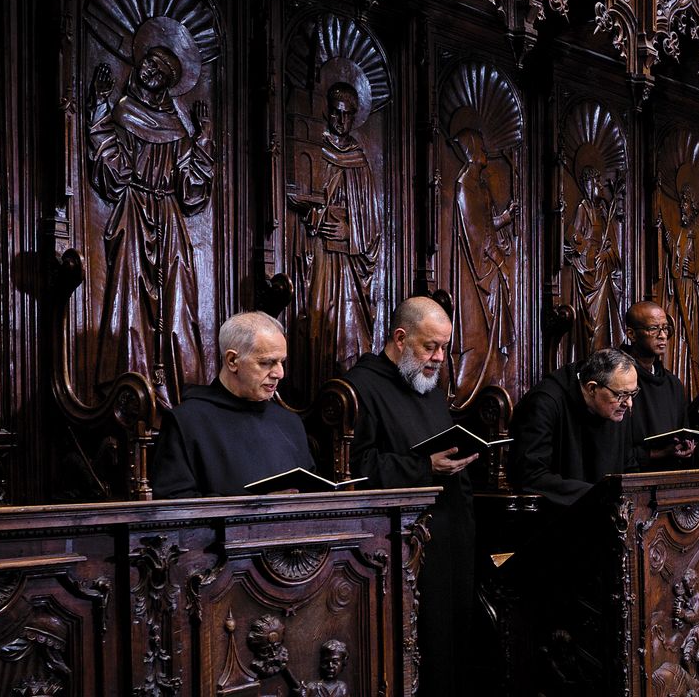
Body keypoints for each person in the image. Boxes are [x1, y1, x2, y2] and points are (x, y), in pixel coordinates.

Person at [345, 297, 478, 695]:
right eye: (430, 346)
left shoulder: (427, 385)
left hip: (449, 533)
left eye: (444, 348)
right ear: (401, 338)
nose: (439, 357)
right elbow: (355, 469)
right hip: (398, 543)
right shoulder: (360, 387)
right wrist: (424, 468)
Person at [153, 312, 311, 498]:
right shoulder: (186, 422)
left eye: (281, 362)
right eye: (267, 363)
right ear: (232, 361)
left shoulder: (290, 423)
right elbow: (172, 505)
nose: (279, 373)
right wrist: (257, 508)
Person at [512, 347, 640, 506]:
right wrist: (599, 496)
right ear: (592, 388)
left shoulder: (616, 407)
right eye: (622, 395)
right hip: (557, 518)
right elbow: (531, 475)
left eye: (632, 394)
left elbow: (629, 467)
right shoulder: (545, 402)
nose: (629, 403)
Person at [617, 301, 697, 464]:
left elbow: (684, 431)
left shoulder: (673, 384)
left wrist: (685, 446)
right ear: (631, 334)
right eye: (653, 328)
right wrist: (657, 453)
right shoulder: (616, 380)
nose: (662, 335)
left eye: (665, 328)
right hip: (632, 478)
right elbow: (613, 446)